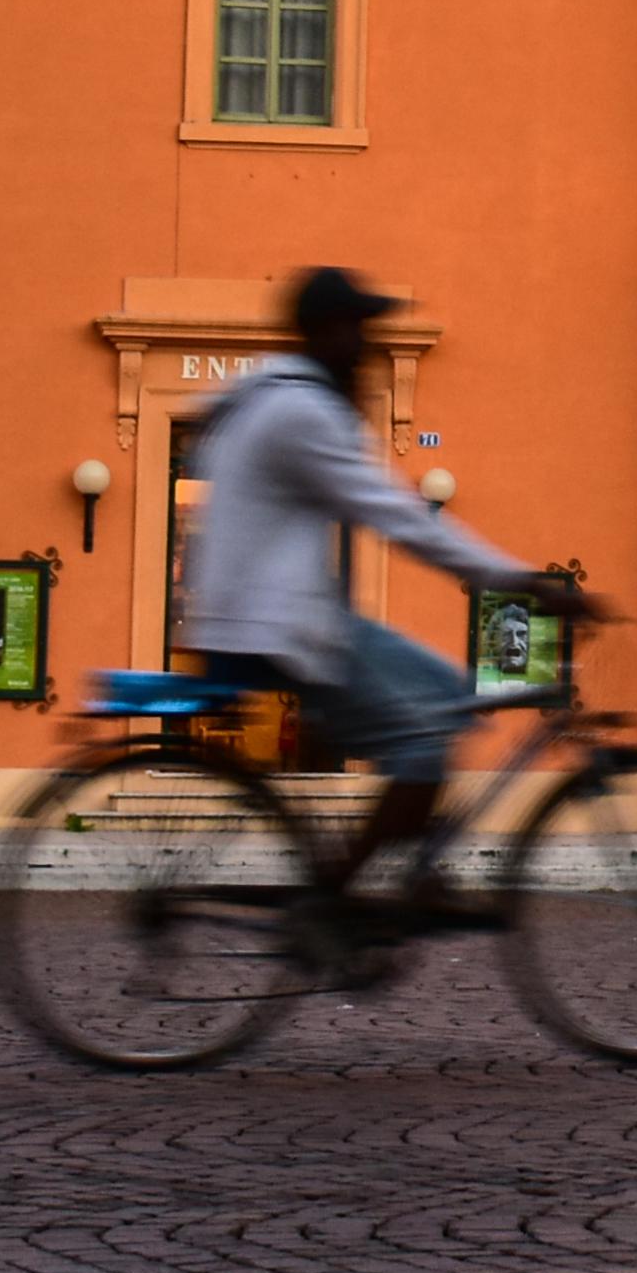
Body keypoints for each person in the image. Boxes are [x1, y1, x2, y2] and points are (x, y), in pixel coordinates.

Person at [181, 268, 594, 922]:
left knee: (451, 696)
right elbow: (397, 516)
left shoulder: (266, 394)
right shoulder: (302, 412)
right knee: (425, 727)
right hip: (282, 625)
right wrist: (522, 583)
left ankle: (388, 877)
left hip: (274, 616)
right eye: (357, 331)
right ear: (325, 332)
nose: (366, 347)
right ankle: (342, 898)